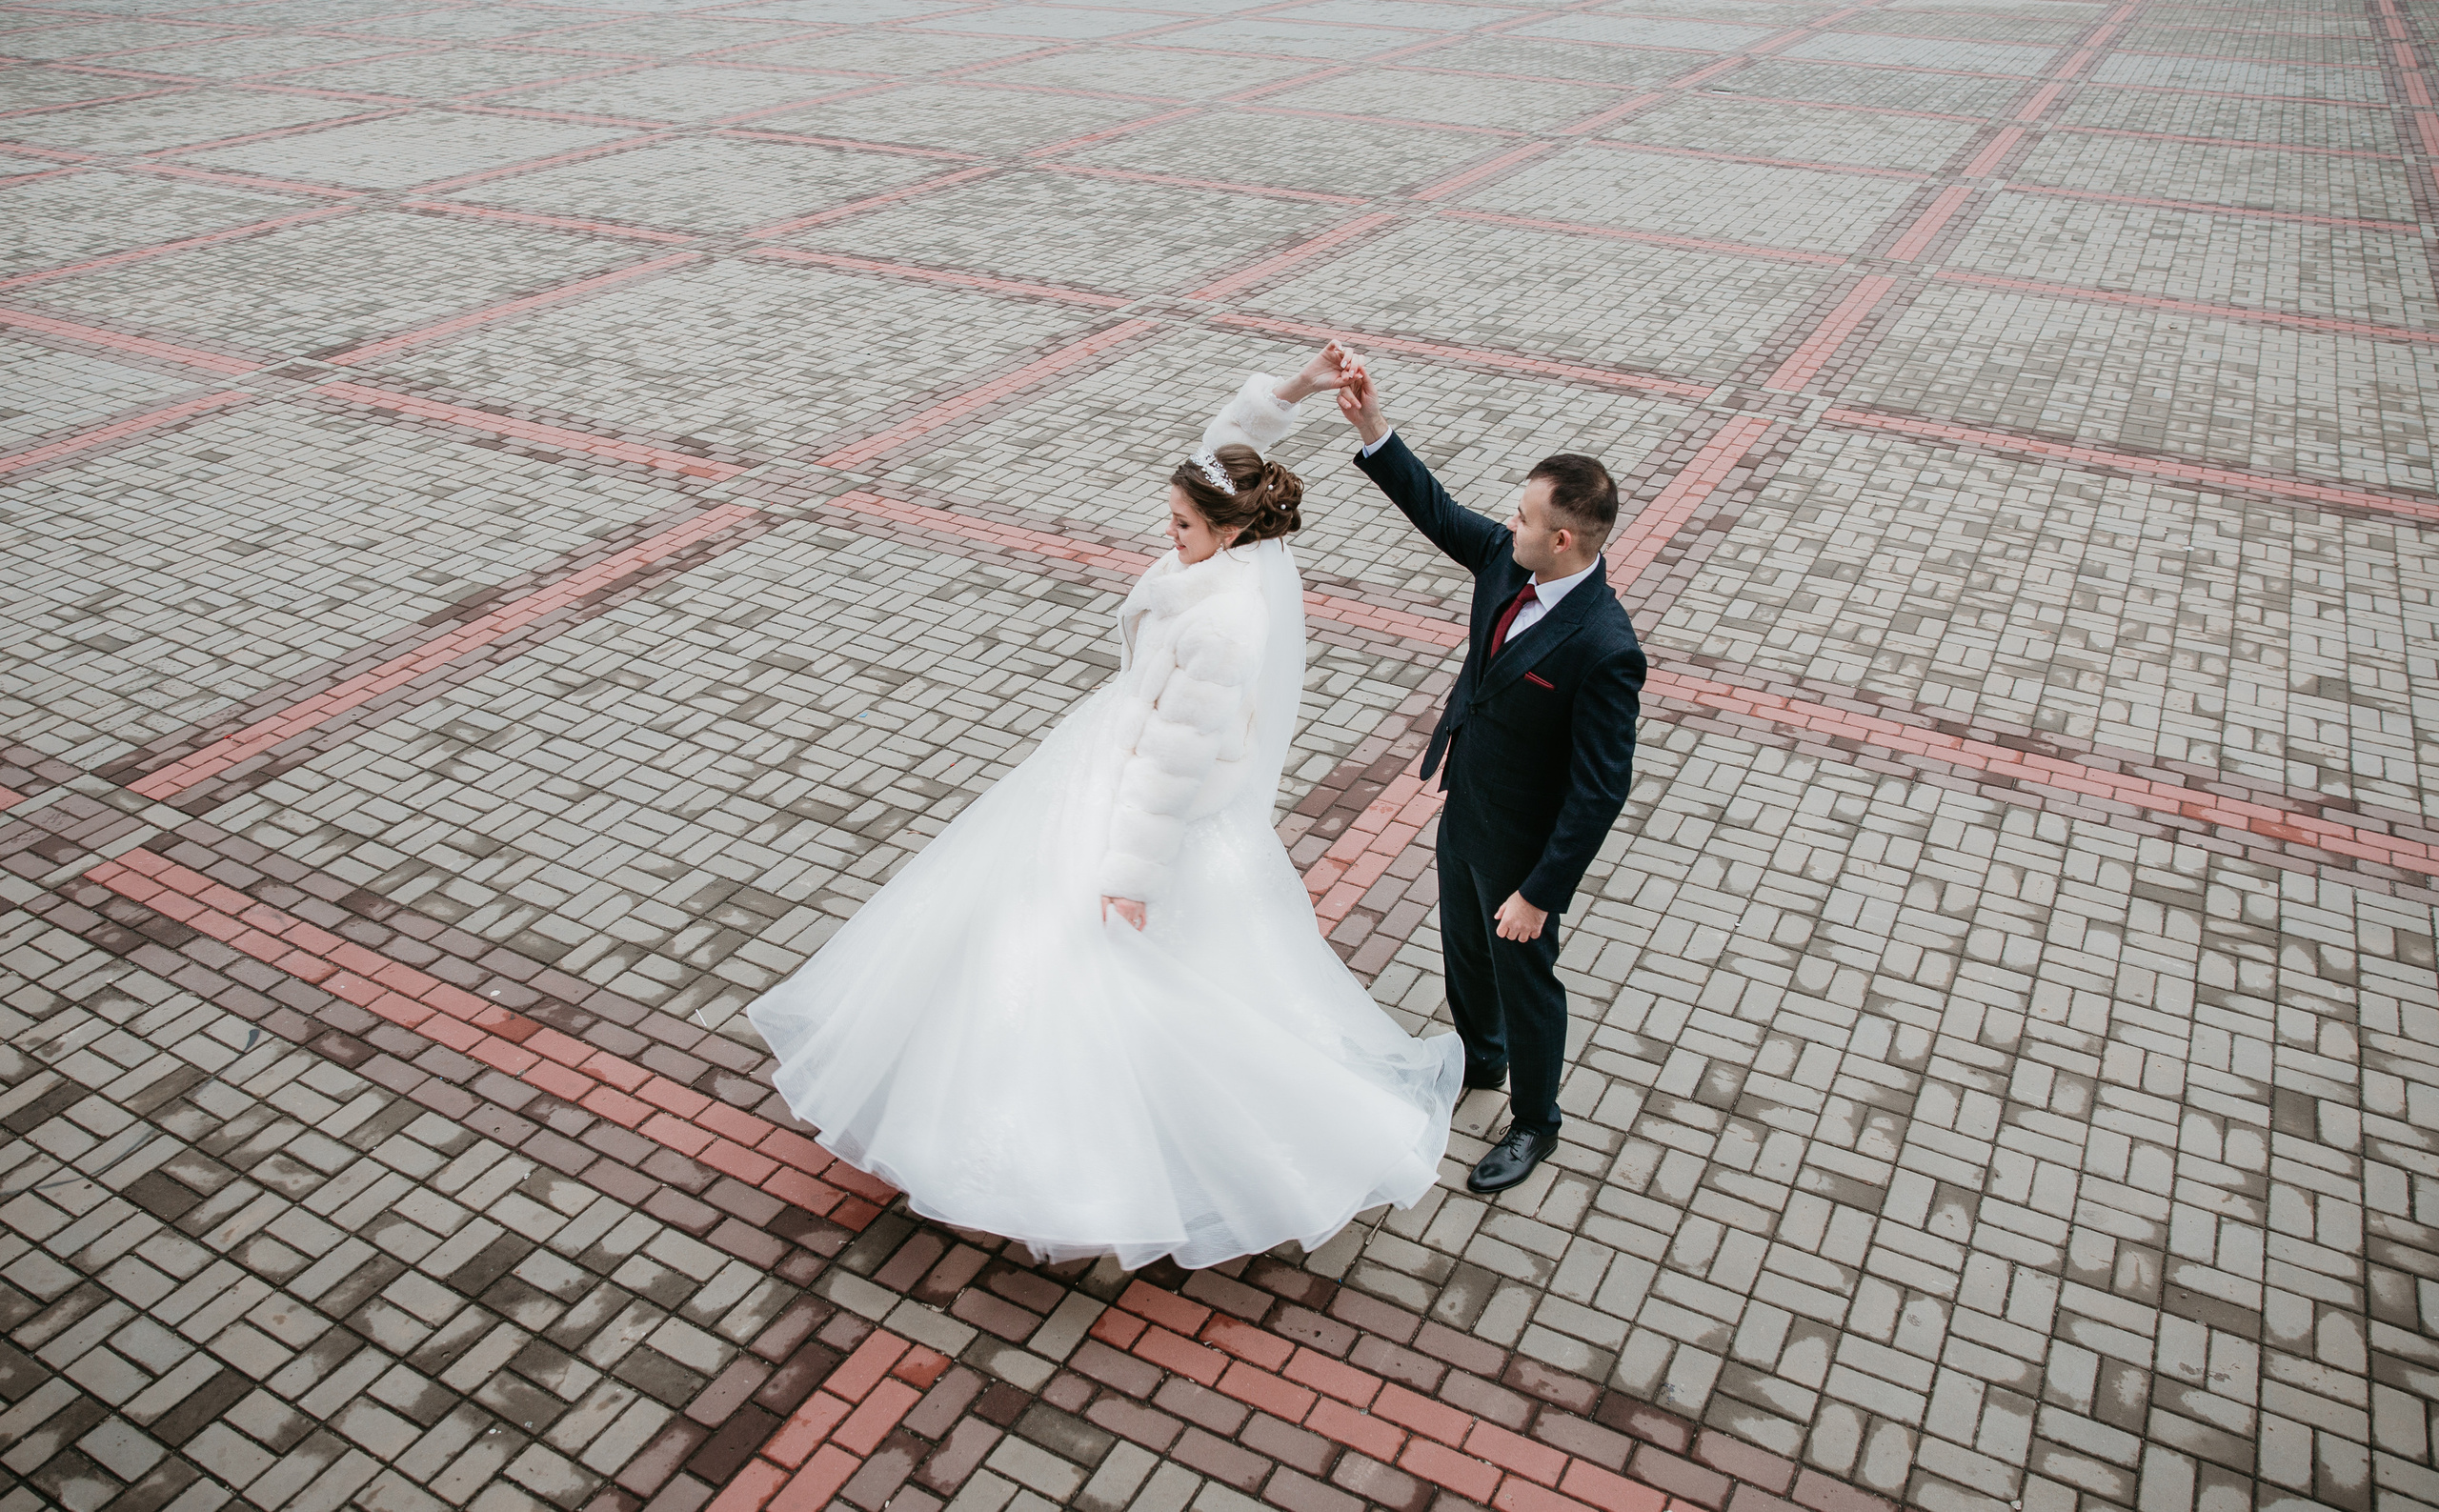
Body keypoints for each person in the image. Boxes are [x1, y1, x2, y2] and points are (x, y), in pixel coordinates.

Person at [747, 344, 1463, 1270]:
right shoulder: (1241, 540)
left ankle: (1105, 1164)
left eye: (1178, 525)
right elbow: (1226, 445)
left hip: (1146, 806)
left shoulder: (1222, 625)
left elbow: (1171, 770)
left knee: (1111, 975)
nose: (1165, 532)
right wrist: (1291, 389)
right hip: (1110, 758)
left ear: (1229, 531)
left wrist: (1129, 877)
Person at [1333, 356, 1645, 1195]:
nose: (1507, 525)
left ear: (1565, 538)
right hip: (1468, 802)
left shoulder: (1605, 648)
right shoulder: (1510, 564)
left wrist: (1542, 890)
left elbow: (1600, 788)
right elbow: (1435, 509)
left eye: (1523, 517)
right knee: (1463, 952)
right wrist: (1373, 428)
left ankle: (1537, 1120)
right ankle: (1481, 1059)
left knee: (1524, 973)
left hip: (1527, 845)